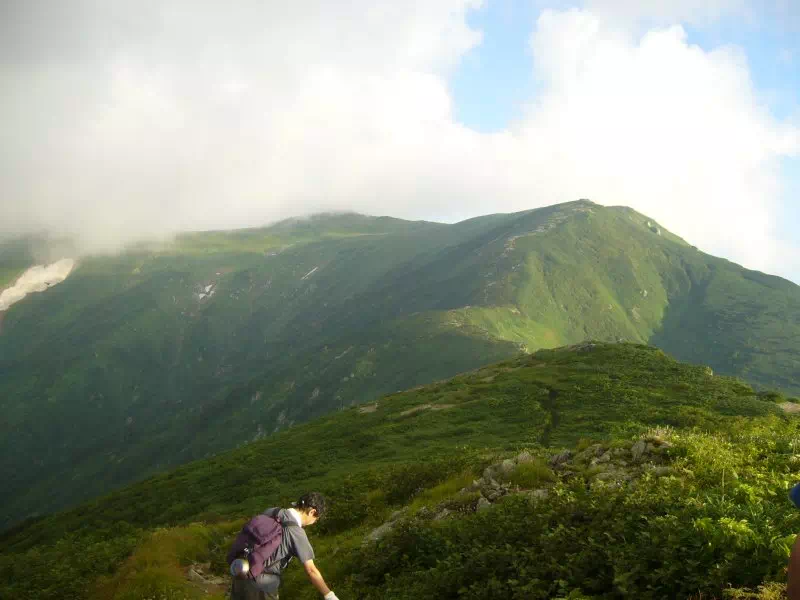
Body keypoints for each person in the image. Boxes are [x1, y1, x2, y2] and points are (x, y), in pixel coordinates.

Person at [231, 492, 339, 600]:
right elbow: (311, 570)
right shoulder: (296, 532)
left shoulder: (271, 511)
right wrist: (329, 595)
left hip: (240, 573)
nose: (314, 522)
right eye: (316, 519)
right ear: (312, 512)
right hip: (263, 586)